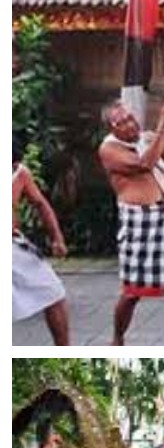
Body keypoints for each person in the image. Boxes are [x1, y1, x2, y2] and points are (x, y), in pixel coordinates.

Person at [99, 96, 164, 345]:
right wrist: (163, 128)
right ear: (111, 128)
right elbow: (145, 163)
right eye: (122, 122)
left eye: (131, 118)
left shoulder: (147, 138)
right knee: (133, 291)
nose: (130, 125)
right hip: (141, 225)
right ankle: (117, 338)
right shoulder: (109, 149)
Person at [12, 140, 70, 345]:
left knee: (53, 292)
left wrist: (57, 238)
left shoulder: (19, 174)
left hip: (12, 247)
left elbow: (41, 204)